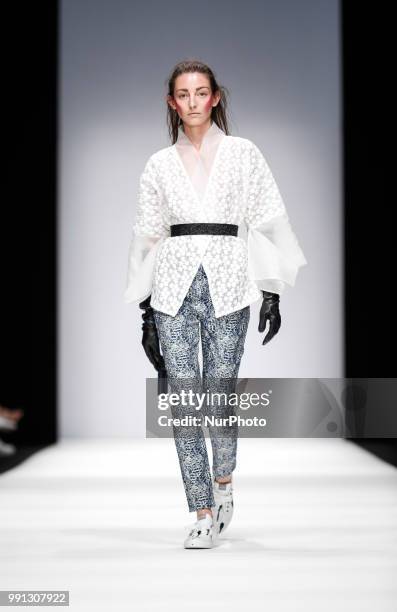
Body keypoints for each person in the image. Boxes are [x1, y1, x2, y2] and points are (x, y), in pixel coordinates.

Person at [124, 59, 307, 548]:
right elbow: (147, 237)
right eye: (182, 95)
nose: (192, 103)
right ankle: (201, 511)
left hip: (229, 282)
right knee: (184, 403)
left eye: (200, 93)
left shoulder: (244, 154)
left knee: (220, 397)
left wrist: (271, 290)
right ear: (172, 103)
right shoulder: (158, 165)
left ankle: (223, 483)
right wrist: (146, 313)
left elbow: (267, 217)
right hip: (171, 288)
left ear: (215, 97)